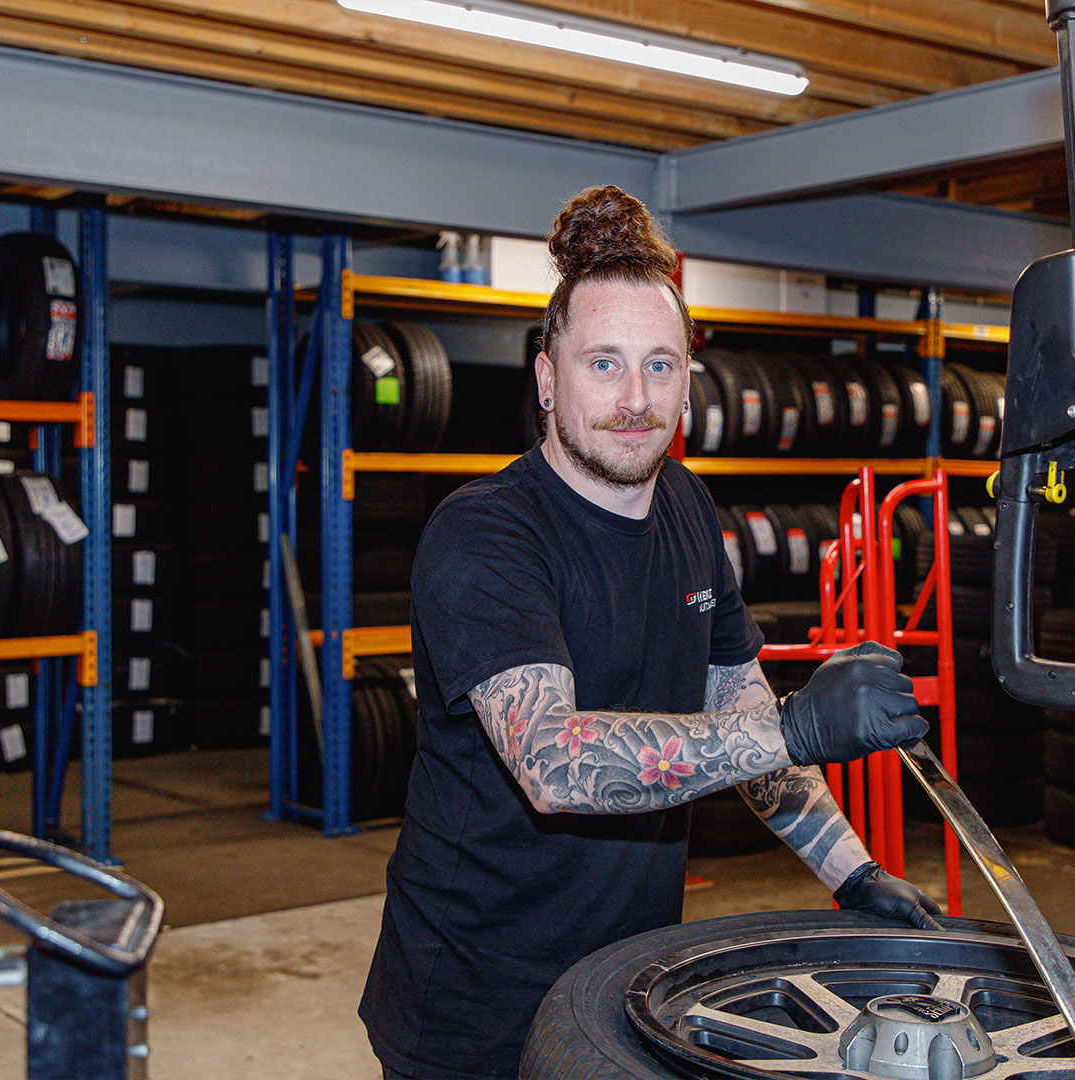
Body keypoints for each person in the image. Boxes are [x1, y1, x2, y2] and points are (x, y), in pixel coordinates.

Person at [359, 185, 940, 1080]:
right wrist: (797, 725)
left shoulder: (688, 508)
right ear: (547, 380)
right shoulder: (484, 533)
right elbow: (553, 763)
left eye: (660, 366)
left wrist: (852, 873)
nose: (635, 399)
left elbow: (740, 716)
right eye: (604, 364)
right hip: (473, 1005)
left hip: (628, 983)